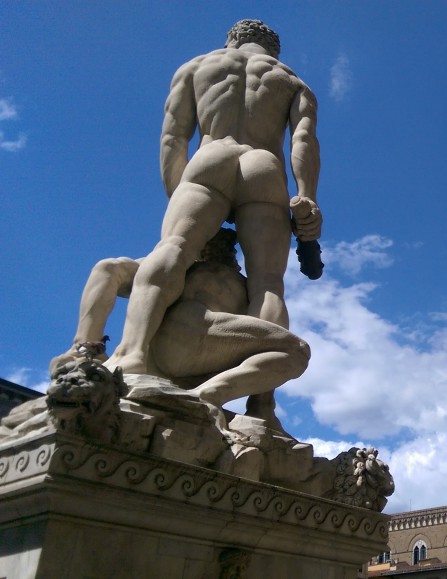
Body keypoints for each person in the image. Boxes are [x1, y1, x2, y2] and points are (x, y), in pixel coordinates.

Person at [105, 19, 322, 424]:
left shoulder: (198, 66)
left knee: (173, 249)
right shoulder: (292, 81)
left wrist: (182, 199)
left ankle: (131, 355)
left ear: (232, 40)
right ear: (272, 49)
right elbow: (303, 140)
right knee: (268, 283)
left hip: (211, 157)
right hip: (264, 166)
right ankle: (260, 405)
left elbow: (173, 138)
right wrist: (305, 195)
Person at [53, 229, 309, 432]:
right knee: (296, 351)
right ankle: (210, 395)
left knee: (292, 350)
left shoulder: (180, 268)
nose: (222, 248)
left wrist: (84, 346)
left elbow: (108, 270)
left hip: (178, 358)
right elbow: (108, 270)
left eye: (227, 245)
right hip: (192, 337)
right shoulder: (212, 276)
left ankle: (204, 395)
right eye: (215, 240)